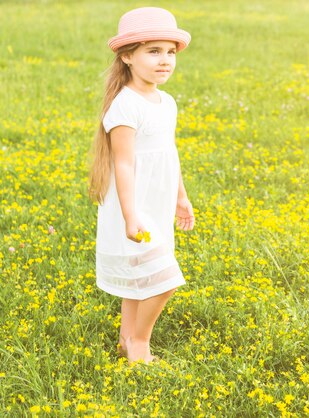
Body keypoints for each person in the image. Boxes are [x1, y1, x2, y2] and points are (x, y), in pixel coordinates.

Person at [88, 7, 195, 364]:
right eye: (153, 51)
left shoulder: (166, 103)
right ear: (127, 56)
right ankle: (139, 343)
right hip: (133, 206)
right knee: (165, 280)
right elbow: (123, 162)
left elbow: (168, 152)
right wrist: (131, 216)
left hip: (159, 202)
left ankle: (125, 340)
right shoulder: (125, 106)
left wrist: (181, 197)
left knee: (142, 277)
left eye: (170, 52)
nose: (165, 60)